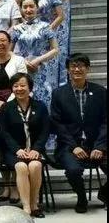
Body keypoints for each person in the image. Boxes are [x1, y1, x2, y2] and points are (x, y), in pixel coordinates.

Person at [51, 53, 107, 213]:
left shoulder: (100, 92)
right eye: (73, 66)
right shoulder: (59, 94)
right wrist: (73, 146)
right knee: (73, 170)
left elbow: (105, 122)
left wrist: (100, 146)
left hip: (96, 144)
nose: (77, 69)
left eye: (81, 66)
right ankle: (81, 197)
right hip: (69, 146)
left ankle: (104, 193)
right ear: (68, 70)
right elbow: (57, 124)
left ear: (88, 69)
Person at [0, 73, 49, 218]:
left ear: (30, 87)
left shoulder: (40, 106)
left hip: (35, 150)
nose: (19, 89)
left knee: (35, 166)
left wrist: (36, 149)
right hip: (13, 151)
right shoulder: (6, 108)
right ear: (12, 89)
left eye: (22, 85)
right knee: (21, 167)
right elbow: (4, 132)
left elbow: (45, 130)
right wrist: (17, 150)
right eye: (15, 86)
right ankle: (26, 207)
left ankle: (34, 204)